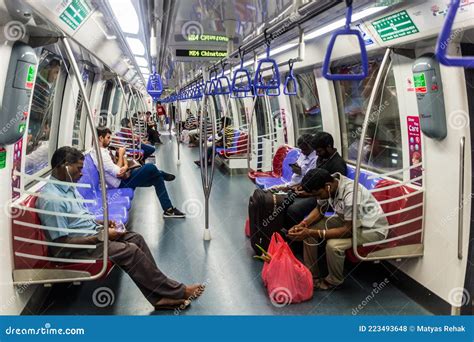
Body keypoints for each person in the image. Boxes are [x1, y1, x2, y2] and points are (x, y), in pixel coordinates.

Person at [36, 147, 204, 310]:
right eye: (79, 169)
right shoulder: (52, 199)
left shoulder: (68, 187)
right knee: (130, 251)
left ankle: (159, 297)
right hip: (79, 248)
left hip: (92, 235)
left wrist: (104, 222)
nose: (81, 173)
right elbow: (61, 244)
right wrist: (101, 236)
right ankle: (178, 291)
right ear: (64, 165)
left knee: (136, 239)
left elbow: (79, 221)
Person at [287, 168, 388, 290]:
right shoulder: (328, 185)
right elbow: (320, 209)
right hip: (349, 220)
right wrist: (303, 224)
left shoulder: (351, 195)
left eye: (318, 194)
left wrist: (313, 232)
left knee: (333, 245)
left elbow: (348, 230)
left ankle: (334, 281)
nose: (318, 197)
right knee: (309, 231)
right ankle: (312, 275)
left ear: (327, 187)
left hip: (371, 228)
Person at [92, 127, 185, 218]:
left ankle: (168, 209)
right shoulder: (101, 155)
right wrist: (121, 155)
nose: (110, 140)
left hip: (125, 178)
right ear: (100, 138)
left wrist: (124, 161)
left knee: (158, 179)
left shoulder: (104, 151)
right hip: (121, 184)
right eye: (108, 138)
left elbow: (118, 166)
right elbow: (118, 172)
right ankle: (162, 173)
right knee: (150, 167)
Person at [285, 132, 347, 227]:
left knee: (293, 209)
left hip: (326, 198)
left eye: (319, 151)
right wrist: (302, 187)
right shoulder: (322, 158)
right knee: (287, 198)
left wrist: (308, 193)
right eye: (316, 152)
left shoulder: (338, 165)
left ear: (329, 147)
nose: (317, 154)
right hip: (315, 192)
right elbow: (314, 178)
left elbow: (330, 192)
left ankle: (295, 238)